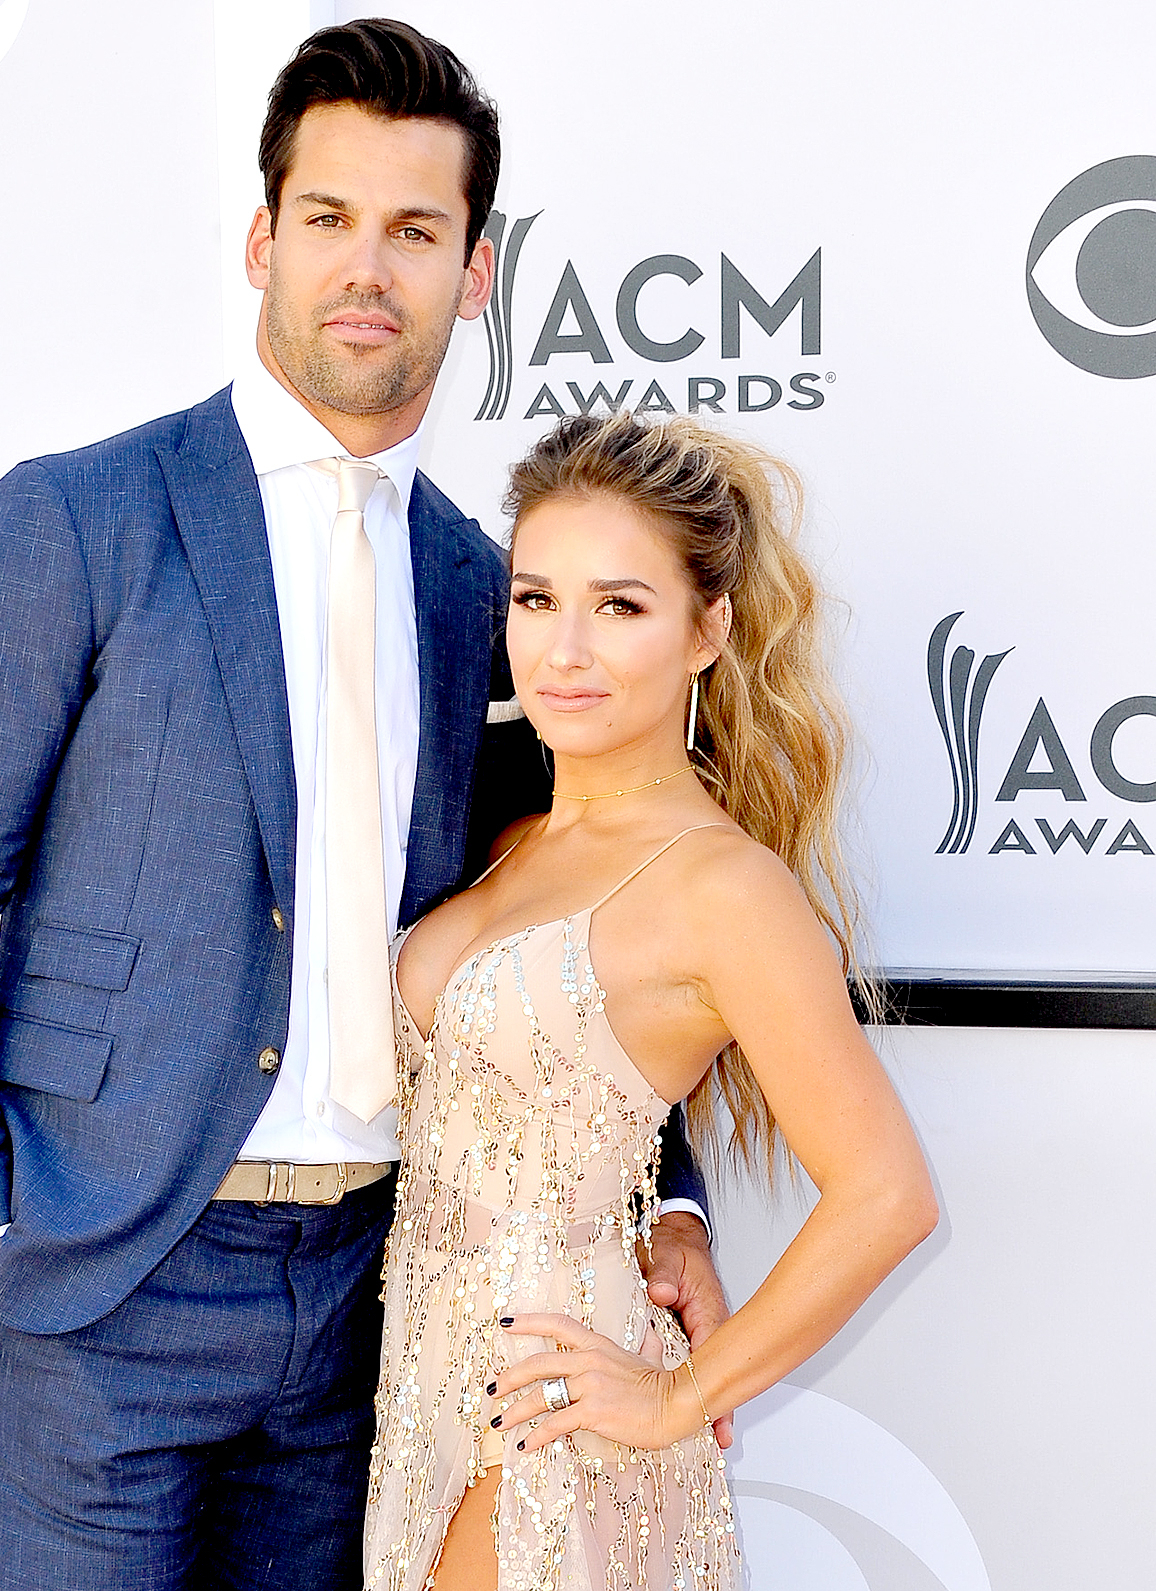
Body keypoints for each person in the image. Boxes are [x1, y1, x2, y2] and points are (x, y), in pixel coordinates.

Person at [0, 21, 725, 1590]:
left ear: (476, 272)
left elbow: (583, 912)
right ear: (262, 240)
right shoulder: (80, 517)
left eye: (416, 230)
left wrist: (672, 1197)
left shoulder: (487, 589)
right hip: (103, 1283)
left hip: (373, 1304)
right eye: (328, 217)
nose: (366, 268)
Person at [366, 411, 940, 1590]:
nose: (565, 649)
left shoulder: (725, 888)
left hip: (549, 1414)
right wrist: (678, 1217)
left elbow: (887, 1195)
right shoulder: (510, 838)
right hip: (412, 1399)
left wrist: (679, 1395)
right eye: (537, 599)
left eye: (620, 606)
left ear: (706, 631)